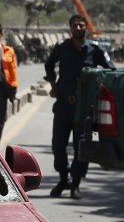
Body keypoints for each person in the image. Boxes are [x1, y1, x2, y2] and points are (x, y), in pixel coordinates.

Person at [44, 14, 115, 199]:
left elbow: (111, 70)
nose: (77, 27)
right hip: (63, 106)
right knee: (58, 146)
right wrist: (53, 84)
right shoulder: (62, 47)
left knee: (81, 148)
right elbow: (49, 65)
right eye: (74, 25)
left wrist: (98, 86)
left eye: (81, 25)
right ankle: (63, 178)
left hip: (84, 109)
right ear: (70, 28)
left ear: (86, 28)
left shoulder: (95, 49)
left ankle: (75, 184)